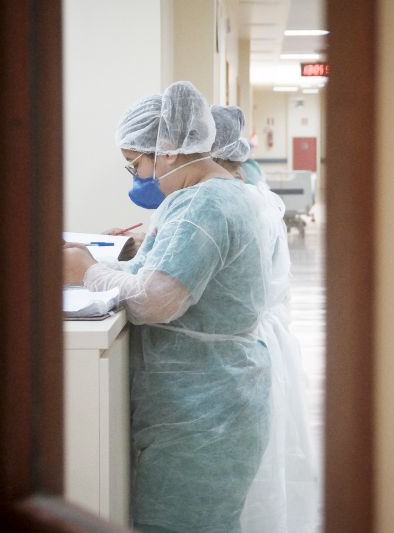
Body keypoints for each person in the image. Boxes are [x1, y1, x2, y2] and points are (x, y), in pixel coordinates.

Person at [63, 81, 276, 533]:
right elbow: (154, 272)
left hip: (202, 410)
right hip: (210, 401)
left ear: (167, 150)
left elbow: (156, 301)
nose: (137, 176)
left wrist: (84, 270)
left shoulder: (204, 204)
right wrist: (104, 257)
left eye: (135, 164)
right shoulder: (213, 195)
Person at [209, 106, 321, 533]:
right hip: (260, 348)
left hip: (242, 353)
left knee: (247, 485)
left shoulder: (234, 204)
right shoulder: (253, 196)